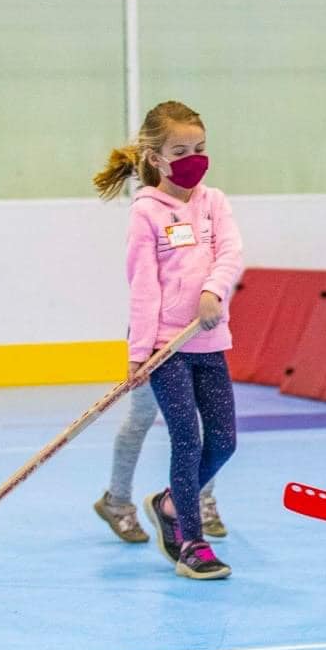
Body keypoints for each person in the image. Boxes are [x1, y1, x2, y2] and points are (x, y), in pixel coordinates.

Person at [94, 100, 243, 580]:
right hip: (164, 349)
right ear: (157, 158)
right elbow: (143, 286)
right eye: (182, 150)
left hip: (209, 340)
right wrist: (141, 354)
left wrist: (211, 290)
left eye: (201, 148)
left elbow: (231, 253)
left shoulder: (214, 202)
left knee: (223, 441)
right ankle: (191, 544)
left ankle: (168, 501)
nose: (195, 158)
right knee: (185, 438)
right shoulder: (146, 214)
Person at [93, 389, 224, 544]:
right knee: (141, 417)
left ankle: (201, 497)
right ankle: (118, 501)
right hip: (151, 364)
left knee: (202, 416)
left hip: (192, 363)